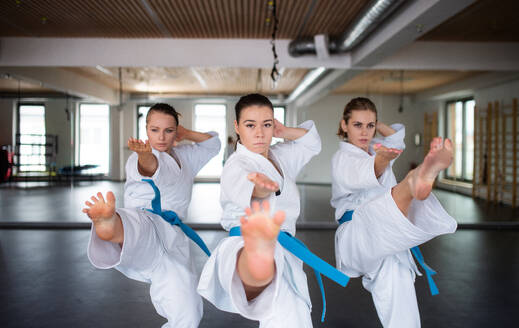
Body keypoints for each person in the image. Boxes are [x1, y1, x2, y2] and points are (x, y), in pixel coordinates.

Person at [198, 93, 348, 327]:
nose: (259, 133)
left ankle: (262, 261)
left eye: (266, 124)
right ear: (237, 127)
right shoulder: (236, 165)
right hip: (246, 242)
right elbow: (246, 189)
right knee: (287, 312)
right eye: (250, 125)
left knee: (290, 314)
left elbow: (312, 143)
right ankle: (258, 258)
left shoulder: (281, 155)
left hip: (283, 248)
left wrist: (283, 131)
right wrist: (259, 189)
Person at [85, 103, 220, 328]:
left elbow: (212, 145)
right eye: (154, 130)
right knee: (136, 228)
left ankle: (114, 226)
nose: (161, 137)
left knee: (188, 310)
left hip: (173, 237)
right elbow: (152, 168)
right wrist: (145, 156)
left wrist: (185, 133)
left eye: (169, 130)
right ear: (146, 129)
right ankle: (110, 224)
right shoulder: (140, 157)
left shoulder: (186, 156)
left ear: (176, 131)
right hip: (145, 219)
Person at [331, 97, 457, 327]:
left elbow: (397, 141)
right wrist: (379, 160)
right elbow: (368, 171)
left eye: (370, 125)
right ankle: (412, 184)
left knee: (399, 286)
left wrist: (375, 128)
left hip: (387, 237)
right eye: (357, 125)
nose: (364, 132)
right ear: (344, 125)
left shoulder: (377, 147)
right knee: (383, 210)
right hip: (357, 234)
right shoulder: (343, 158)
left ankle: (413, 183)